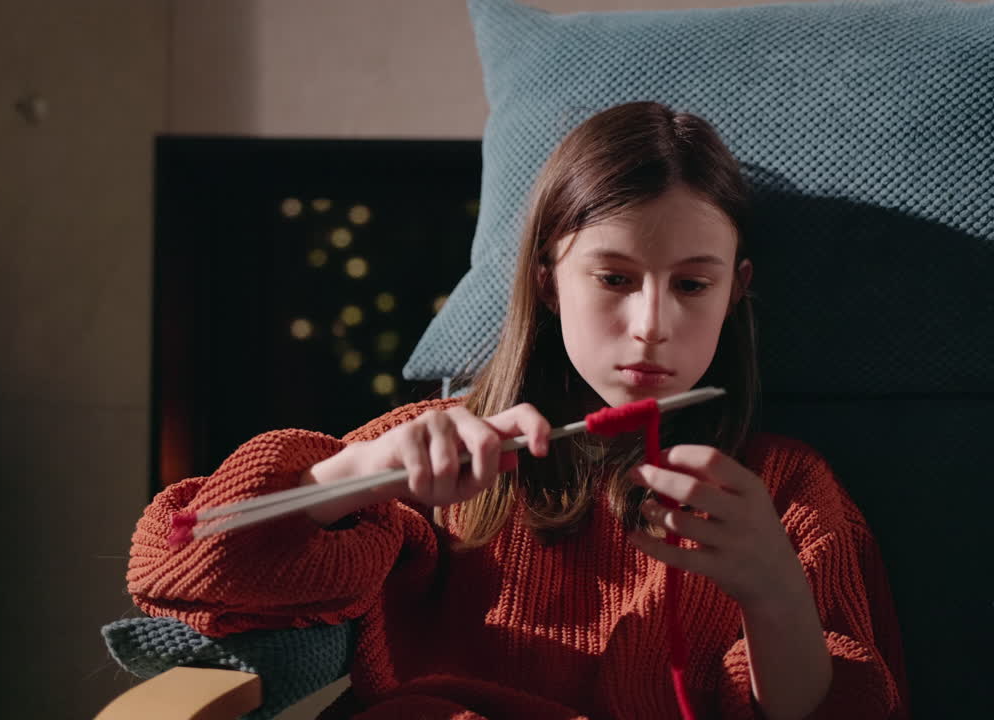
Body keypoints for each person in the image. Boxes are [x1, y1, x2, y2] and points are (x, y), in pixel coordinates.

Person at [127, 101, 909, 720]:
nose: (652, 325)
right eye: (613, 279)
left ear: (736, 291)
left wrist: (772, 590)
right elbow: (182, 569)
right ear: (546, 280)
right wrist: (360, 474)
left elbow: (847, 708)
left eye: (692, 285)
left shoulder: (784, 488)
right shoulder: (434, 453)